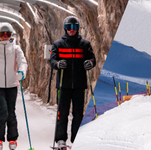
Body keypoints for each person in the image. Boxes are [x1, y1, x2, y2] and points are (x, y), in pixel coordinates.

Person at [49, 16, 96, 148]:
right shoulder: (58, 44)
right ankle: (60, 139)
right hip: (63, 84)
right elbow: (52, 60)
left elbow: (92, 59)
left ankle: (77, 138)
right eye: (69, 27)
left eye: (74, 27)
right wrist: (58, 64)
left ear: (78, 28)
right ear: (65, 28)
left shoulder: (85, 44)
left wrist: (90, 63)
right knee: (62, 113)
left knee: (78, 113)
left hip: (79, 85)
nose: (71, 29)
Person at [0, 23, 28, 150]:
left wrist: (22, 72)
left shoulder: (16, 49)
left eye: (8, 33)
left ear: (11, 34)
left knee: (11, 112)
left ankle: (12, 139)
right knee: (3, 111)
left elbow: (22, 62)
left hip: (12, 85)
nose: (5, 36)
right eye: (2, 34)